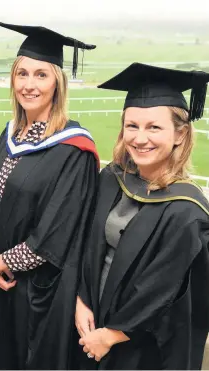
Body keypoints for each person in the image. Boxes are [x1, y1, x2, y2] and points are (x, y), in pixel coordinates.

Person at [0, 23, 99, 369]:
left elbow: (56, 234)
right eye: (22, 74)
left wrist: (1, 263)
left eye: (41, 75)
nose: (29, 85)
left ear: (57, 83)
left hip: (39, 290)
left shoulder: (72, 148)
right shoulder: (10, 133)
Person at [76, 63, 209, 370]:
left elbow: (163, 293)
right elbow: (87, 244)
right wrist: (81, 299)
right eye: (132, 126)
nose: (139, 138)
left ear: (180, 134)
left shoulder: (187, 211)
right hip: (91, 326)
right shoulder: (111, 178)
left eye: (154, 127)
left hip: (140, 348)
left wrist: (109, 336)